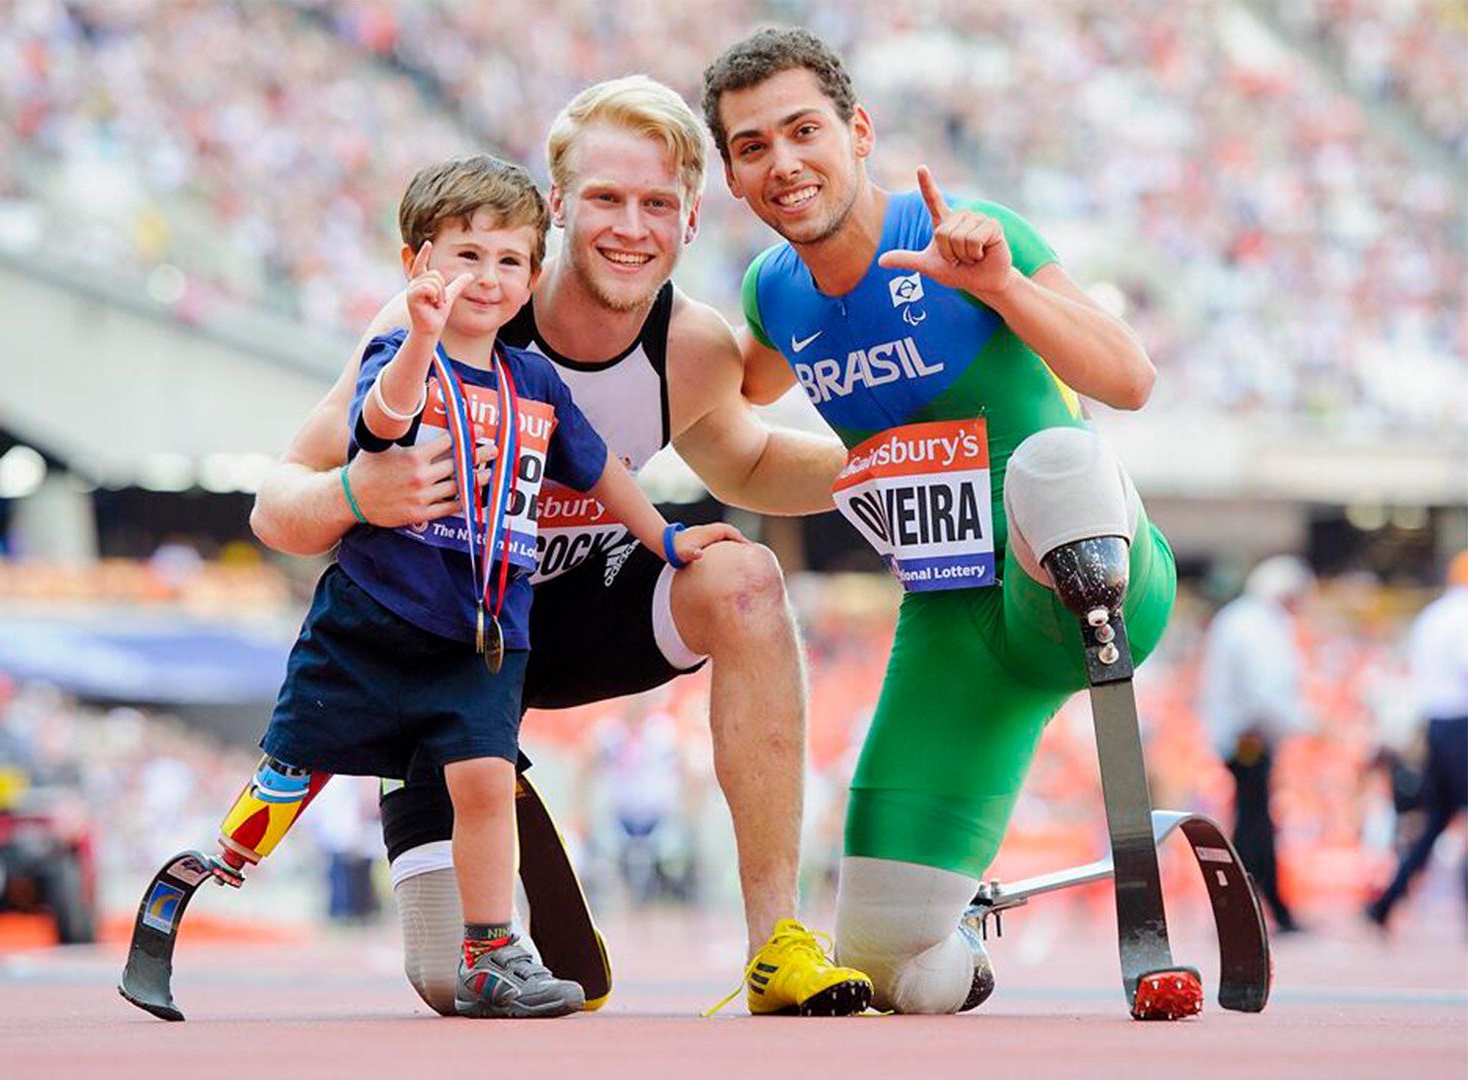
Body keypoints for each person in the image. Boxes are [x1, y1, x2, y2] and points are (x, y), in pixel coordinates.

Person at [248, 77, 872, 1017]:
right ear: (557, 207)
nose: (632, 227)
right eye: (606, 198)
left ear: (690, 218)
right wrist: (354, 493)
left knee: (745, 576)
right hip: (436, 637)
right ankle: (483, 785)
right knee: (446, 981)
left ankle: (776, 943)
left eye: (656, 203)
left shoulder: (692, 349)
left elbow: (747, 463)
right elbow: (276, 508)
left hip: (569, 619)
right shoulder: (450, 318)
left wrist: (893, 457)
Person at [170, 154, 740, 1021]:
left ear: (533, 276)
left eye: (510, 261)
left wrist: (665, 537)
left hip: (484, 634)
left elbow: (601, 472)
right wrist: (421, 335)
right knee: (294, 768)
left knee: (483, 781)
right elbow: (381, 422)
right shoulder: (402, 356)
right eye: (467, 256)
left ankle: (490, 951)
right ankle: (215, 866)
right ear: (418, 264)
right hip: (373, 619)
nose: (488, 277)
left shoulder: (535, 383)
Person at [702, 27, 1180, 1015]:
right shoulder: (771, 293)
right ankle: (958, 936)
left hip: (1076, 565)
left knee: (1052, 464)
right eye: (753, 147)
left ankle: (1092, 635)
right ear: (734, 179)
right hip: (950, 624)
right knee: (890, 976)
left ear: (858, 131)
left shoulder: (970, 232)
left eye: (802, 130)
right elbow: (740, 392)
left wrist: (1000, 287)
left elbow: (1129, 379)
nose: (782, 162)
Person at [1198, 555, 1314, 934]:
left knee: (1256, 823)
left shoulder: (1246, 621)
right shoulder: (1255, 626)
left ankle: (1261, 909)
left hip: (1247, 735)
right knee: (1253, 828)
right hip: (1248, 737)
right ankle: (1239, 910)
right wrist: (1302, 723)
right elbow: (1264, 691)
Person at [1366, 551, 1468, 931]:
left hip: (1436, 725)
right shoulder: (1462, 615)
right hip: (1461, 723)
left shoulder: (1433, 615)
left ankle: (1385, 903)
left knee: (1438, 819)